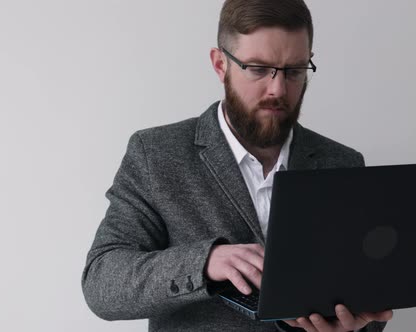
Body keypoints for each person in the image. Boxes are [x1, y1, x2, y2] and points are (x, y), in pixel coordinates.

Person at [82, 0, 394, 331]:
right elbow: (102, 283)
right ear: (220, 65)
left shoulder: (343, 163)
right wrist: (205, 263)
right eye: (258, 69)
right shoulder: (154, 154)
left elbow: (366, 297)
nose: (278, 89)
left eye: (294, 71)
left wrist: (354, 327)